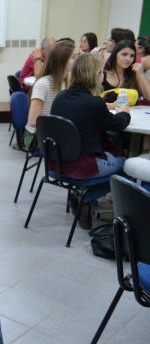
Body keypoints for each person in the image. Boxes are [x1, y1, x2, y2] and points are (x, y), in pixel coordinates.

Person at [50, 54, 131, 228]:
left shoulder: (61, 96)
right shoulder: (94, 103)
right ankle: (86, 198)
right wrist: (124, 112)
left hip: (56, 162)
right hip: (81, 165)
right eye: (101, 72)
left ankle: (81, 197)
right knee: (128, 167)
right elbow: (119, 123)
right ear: (95, 75)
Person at [23, 42, 75, 149]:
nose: (77, 60)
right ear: (63, 61)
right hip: (37, 137)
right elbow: (33, 121)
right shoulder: (43, 84)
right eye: (73, 57)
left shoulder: (68, 81)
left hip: (55, 133)